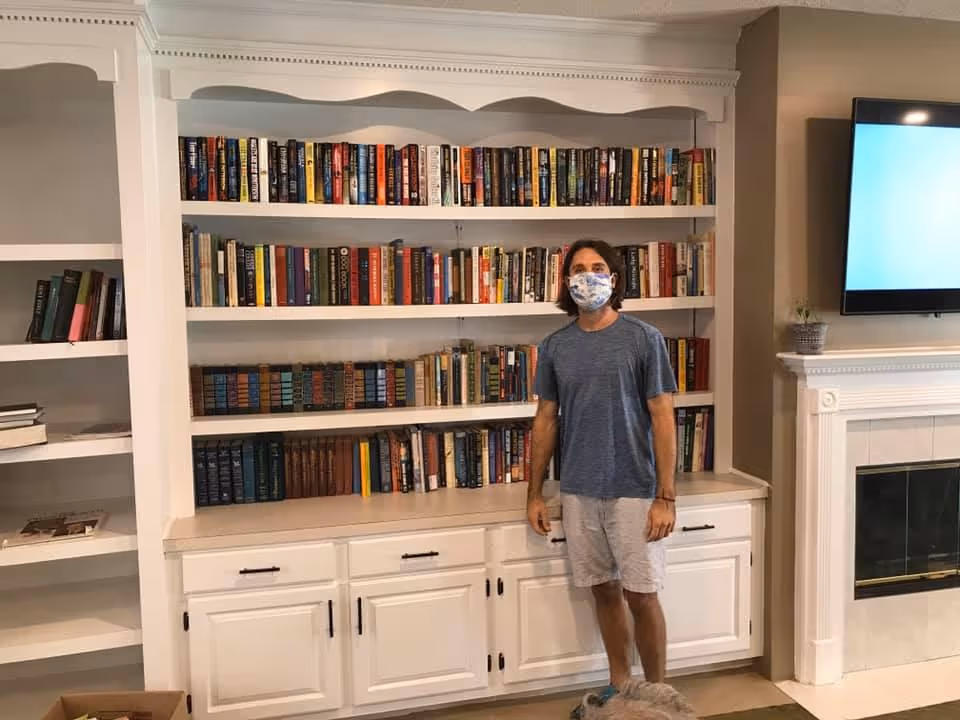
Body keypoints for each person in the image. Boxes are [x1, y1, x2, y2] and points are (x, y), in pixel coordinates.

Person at [526, 237, 678, 720]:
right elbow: (545, 420)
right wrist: (535, 494)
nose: (586, 276)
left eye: (596, 268)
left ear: (613, 280)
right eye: (577, 269)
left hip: (635, 488)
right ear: (566, 280)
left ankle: (657, 697)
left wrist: (666, 497)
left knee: (642, 594)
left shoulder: (644, 339)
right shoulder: (555, 346)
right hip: (579, 489)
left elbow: (663, 416)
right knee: (604, 589)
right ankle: (620, 686)